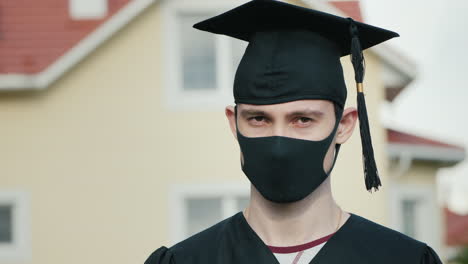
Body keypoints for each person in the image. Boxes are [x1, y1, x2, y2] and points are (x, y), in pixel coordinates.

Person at [145, 0, 442, 263]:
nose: (279, 144)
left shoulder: (403, 259)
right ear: (233, 123)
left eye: (302, 120)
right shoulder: (185, 260)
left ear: (345, 125)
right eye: (259, 119)